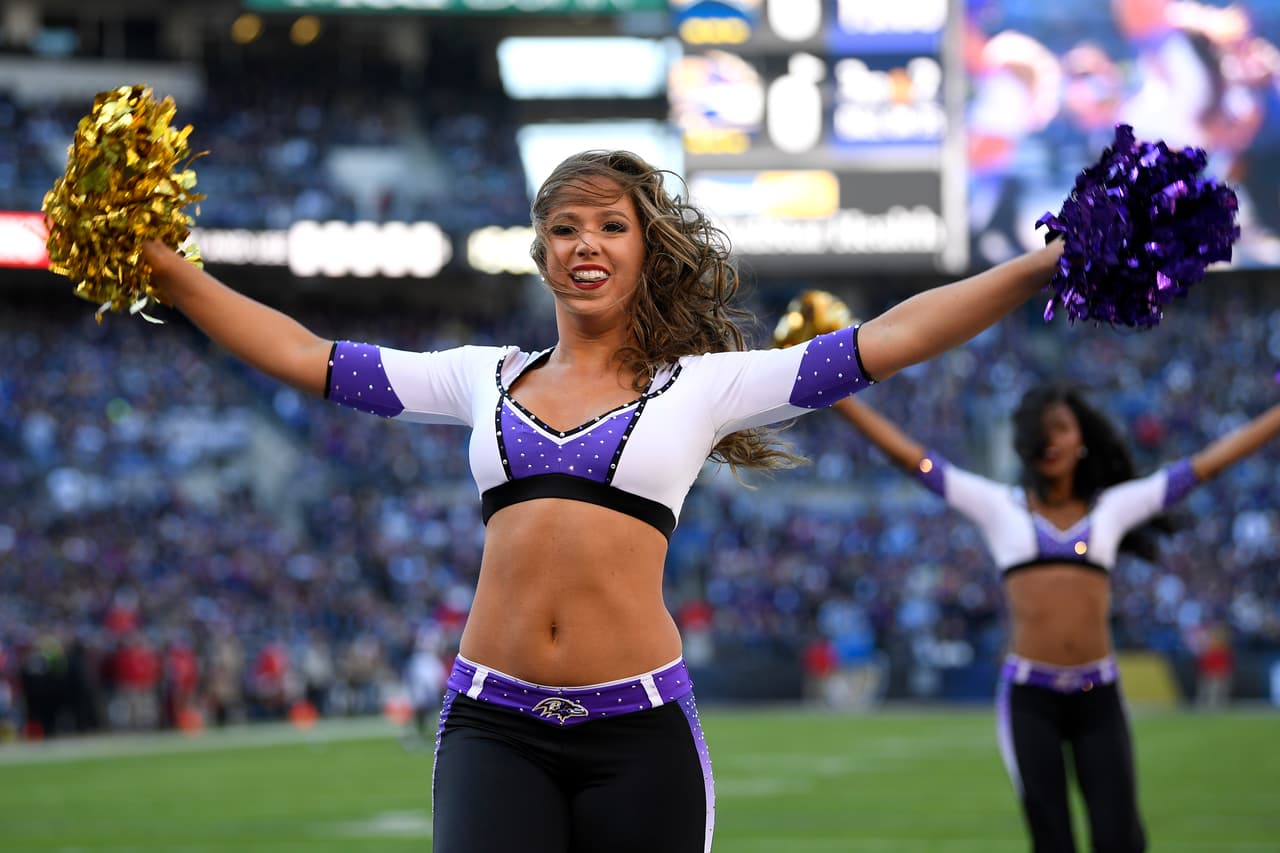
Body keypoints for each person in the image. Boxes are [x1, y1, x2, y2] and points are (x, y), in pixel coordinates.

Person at [138, 148, 1066, 852]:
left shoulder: (705, 384)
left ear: (645, 248)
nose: (588, 243)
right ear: (540, 250)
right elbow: (309, 358)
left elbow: (887, 339)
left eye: (611, 226)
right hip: (491, 723)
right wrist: (167, 269)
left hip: (640, 729)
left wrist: (1037, 268)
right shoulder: (477, 379)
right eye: (567, 227)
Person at [829, 383, 1280, 853]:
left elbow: (1206, 465)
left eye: (1062, 429)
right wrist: (838, 393)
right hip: (1030, 700)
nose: (1052, 440)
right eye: (1040, 432)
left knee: (1118, 840)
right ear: (1025, 443)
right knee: (1053, 843)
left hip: (1098, 696)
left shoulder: (1113, 506)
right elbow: (915, 460)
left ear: (1081, 439)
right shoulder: (998, 506)